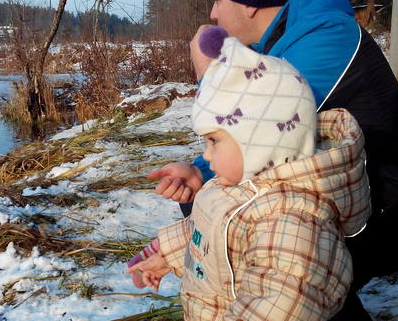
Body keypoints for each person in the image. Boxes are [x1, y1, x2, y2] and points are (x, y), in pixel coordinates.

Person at [146, 0, 398, 319]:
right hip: (352, 198)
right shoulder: (290, 35)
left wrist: (207, 70)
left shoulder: (323, 41)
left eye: (217, 0)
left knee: (287, 261)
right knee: (211, 198)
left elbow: (251, 122)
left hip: (393, 212)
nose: (212, 14)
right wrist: (199, 174)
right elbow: (254, 145)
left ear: (249, 2)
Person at [129, 34, 372, 320]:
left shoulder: (293, 222)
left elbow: (278, 308)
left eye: (214, 142)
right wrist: (167, 252)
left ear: (260, 143)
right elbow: (217, 229)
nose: (205, 155)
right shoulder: (246, 185)